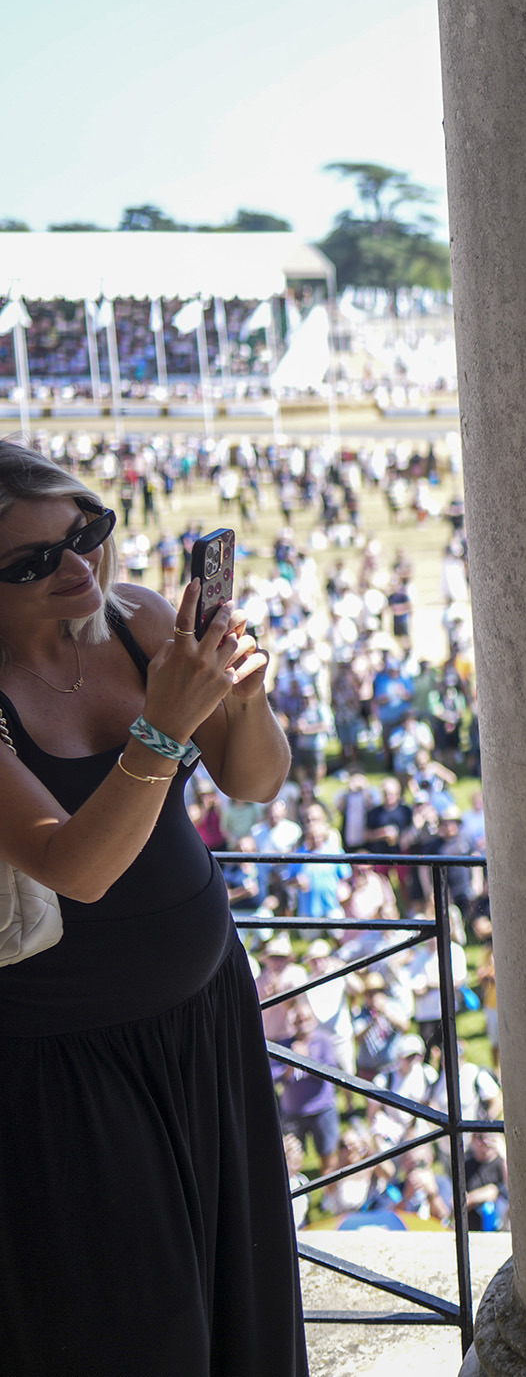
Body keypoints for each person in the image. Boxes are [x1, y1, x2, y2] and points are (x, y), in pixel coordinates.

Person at [0, 441, 301, 1372]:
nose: (79, 568)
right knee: (133, 1322)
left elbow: (253, 781)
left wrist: (241, 701)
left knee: (236, 1282)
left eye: (86, 534)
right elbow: (71, 864)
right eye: (33, 560)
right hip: (67, 1061)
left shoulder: (133, 621)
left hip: (205, 1013)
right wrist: (166, 723)